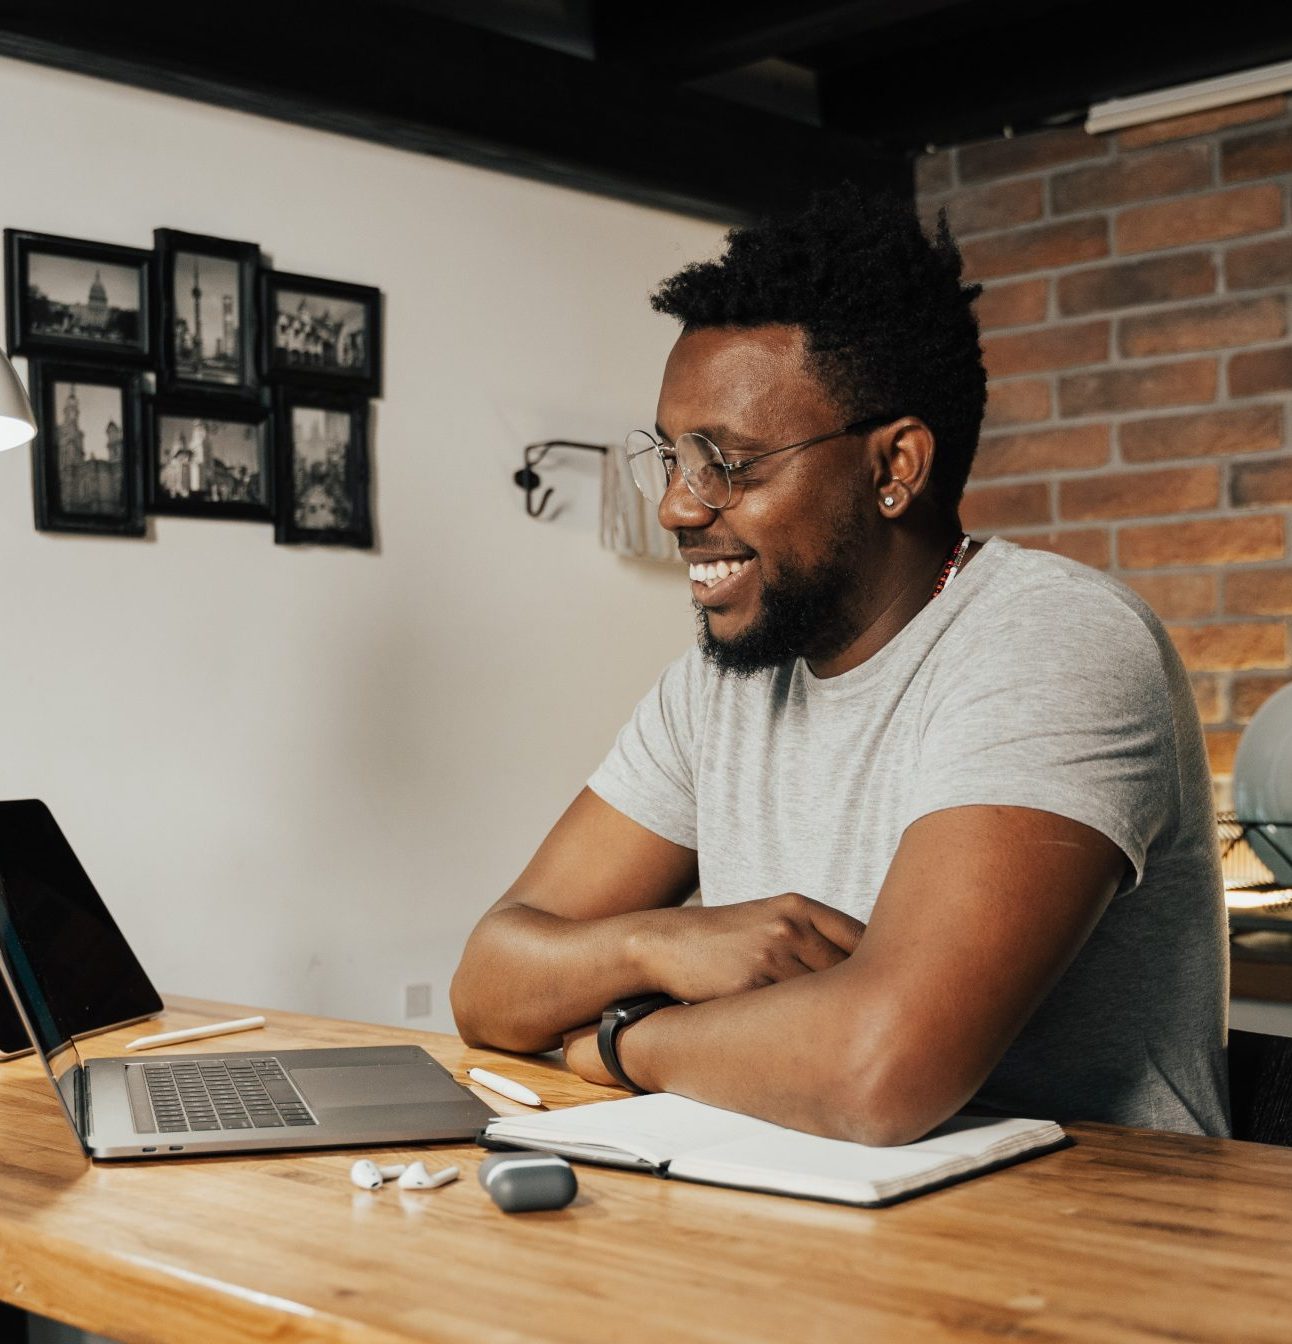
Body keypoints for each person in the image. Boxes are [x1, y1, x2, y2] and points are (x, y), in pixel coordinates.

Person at [451, 186, 1229, 1145]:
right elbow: (490, 980)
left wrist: (621, 1039)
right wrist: (669, 940)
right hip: (814, 1228)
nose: (677, 510)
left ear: (895, 467)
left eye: (725, 464)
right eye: (671, 458)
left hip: (1087, 1256)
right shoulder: (719, 685)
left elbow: (880, 1067)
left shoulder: (1053, 641)